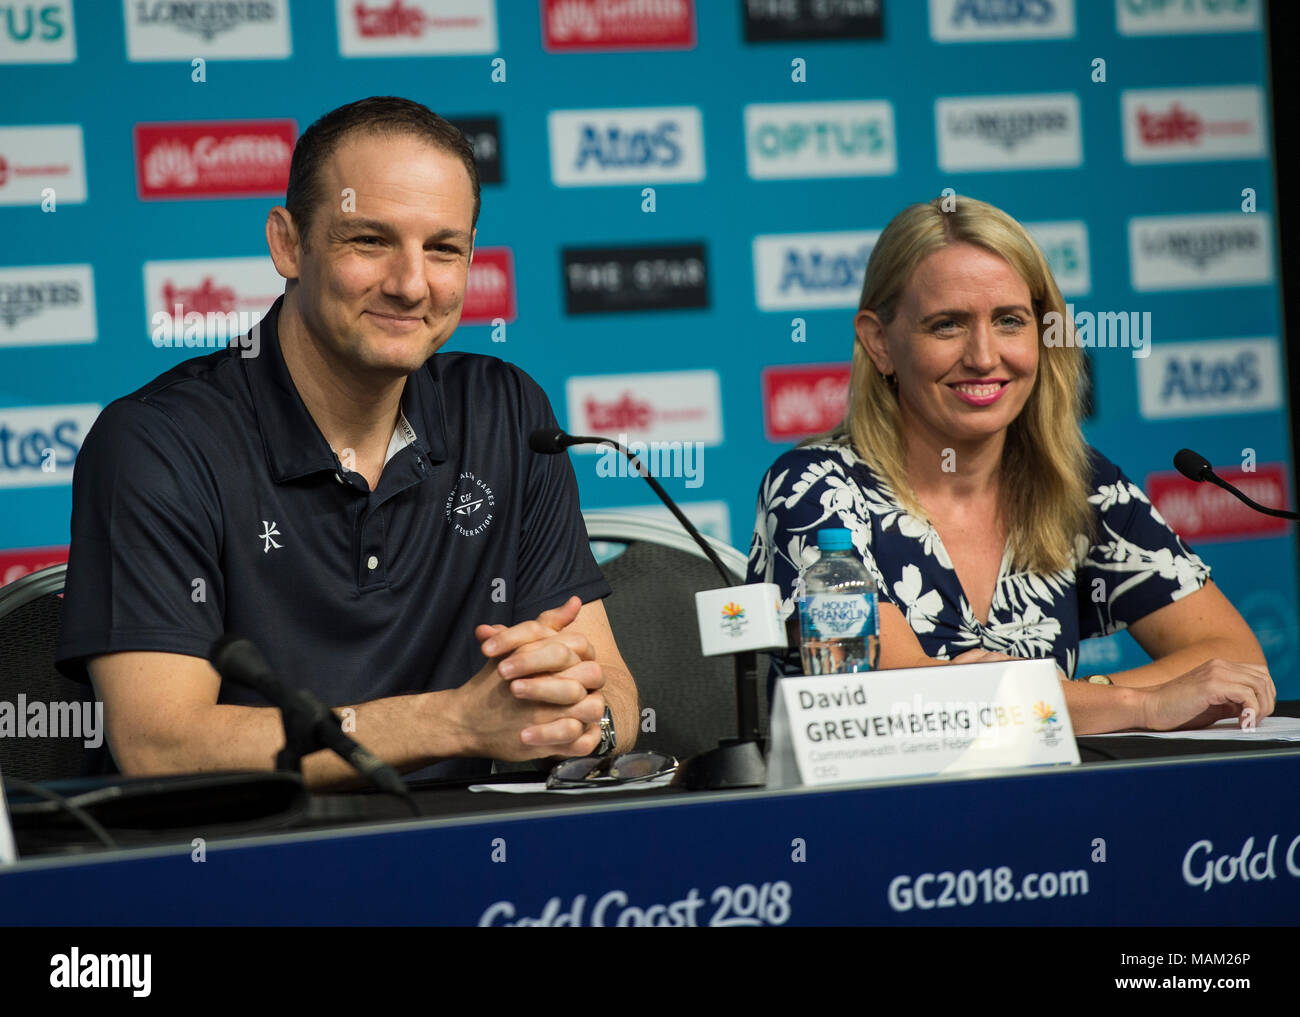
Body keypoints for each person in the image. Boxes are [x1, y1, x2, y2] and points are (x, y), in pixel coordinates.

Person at [55, 96, 638, 786]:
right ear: (289, 244)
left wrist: (578, 718)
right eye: (370, 240)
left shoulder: (507, 412)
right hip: (244, 872)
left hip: (477, 864)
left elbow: (617, 705)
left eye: (443, 249)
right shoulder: (157, 441)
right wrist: (455, 720)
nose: (410, 283)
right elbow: (163, 744)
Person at [746, 195, 1275, 734]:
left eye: (1009, 321)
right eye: (947, 325)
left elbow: (1234, 662)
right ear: (880, 342)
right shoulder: (815, 489)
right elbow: (900, 699)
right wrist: (1141, 706)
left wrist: (1086, 696)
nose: (982, 355)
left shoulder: (1082, 484)